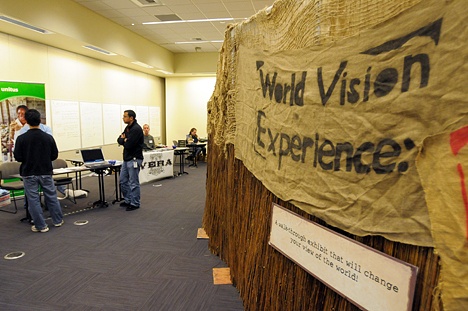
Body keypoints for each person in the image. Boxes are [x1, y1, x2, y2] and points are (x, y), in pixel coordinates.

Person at [13, 109, 64, 233]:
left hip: (29, 173)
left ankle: (41, 226)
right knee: (51, 196)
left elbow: (18, 157)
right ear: (40, 120)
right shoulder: (48, 137)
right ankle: (57, 221)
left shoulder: (21, 138)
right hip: (46, 171)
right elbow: (54, 155)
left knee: (33, 200)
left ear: (27, 122)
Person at [117, 110, 144, 211]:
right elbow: (119, 139)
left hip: (134, 159)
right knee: (123, 181)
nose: (123, 118)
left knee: (133, 182)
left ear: (131, 118)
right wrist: (123, 140)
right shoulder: (128, 128)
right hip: (126, 159)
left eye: (125, 116)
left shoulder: (136, 129)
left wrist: (124, 140)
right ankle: (128, 200)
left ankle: (135, 203)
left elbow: (129, 145)